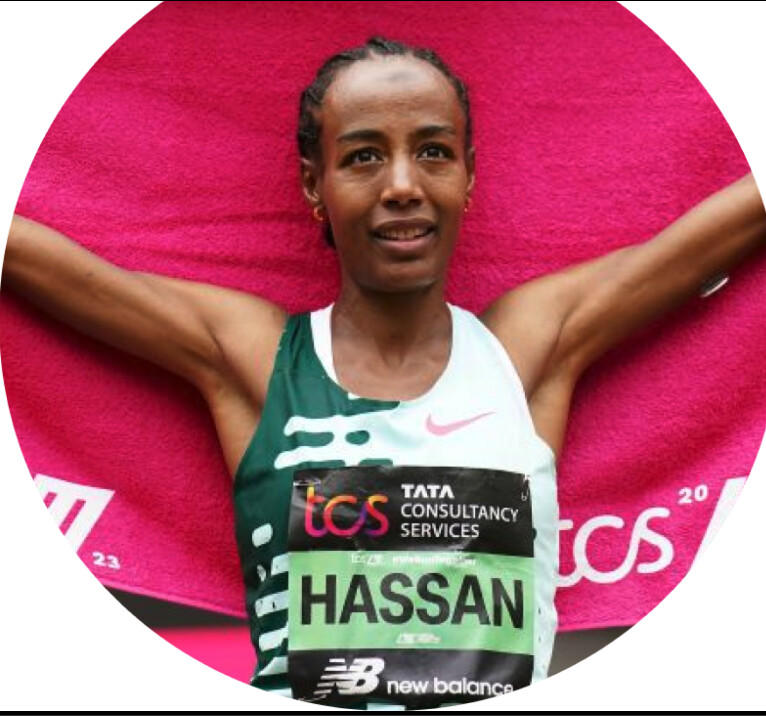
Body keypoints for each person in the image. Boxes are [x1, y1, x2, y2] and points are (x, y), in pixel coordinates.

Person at [3, 37, 765, 709]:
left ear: (469, 174)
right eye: (364, 155)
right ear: (315, 185)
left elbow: (704, 243)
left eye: (433, 151)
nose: (402, 184)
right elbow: (56, 270)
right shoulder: (261, 359)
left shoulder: (524, 351)